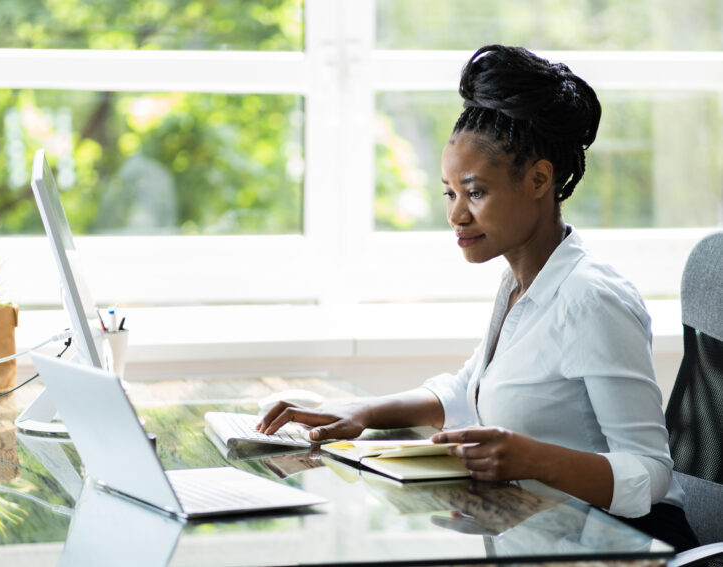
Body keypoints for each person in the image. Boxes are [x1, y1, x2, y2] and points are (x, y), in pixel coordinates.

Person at [258, 45, 698, 551]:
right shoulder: (519, 285)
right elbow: (470, 390)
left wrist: (532, 459)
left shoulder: (591, 299)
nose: (456, 215)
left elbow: (650, 473)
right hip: (536, 532)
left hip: (620, 546)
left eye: (476, 193)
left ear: (538, 179)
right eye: (450, 193)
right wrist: (360, 411)